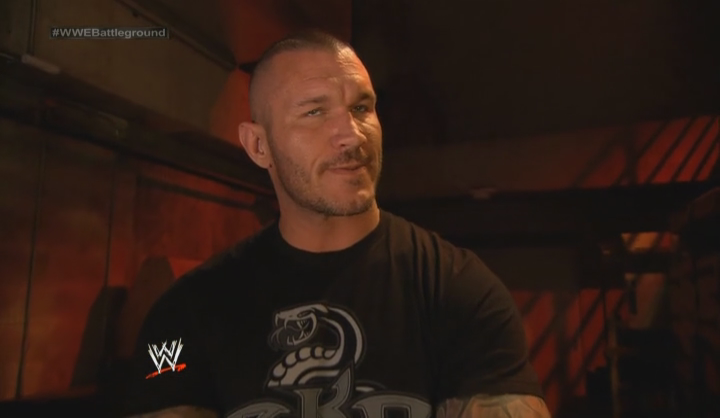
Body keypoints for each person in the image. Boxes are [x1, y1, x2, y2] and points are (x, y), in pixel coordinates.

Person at [114, 30, 551, 418]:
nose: (352, 135)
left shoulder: (459, 290)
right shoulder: (187, 312)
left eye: (361, 107)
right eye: (314, 112)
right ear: (259, 145)